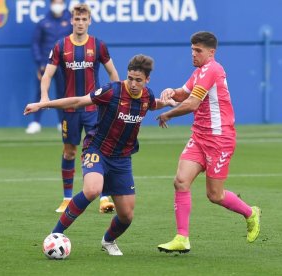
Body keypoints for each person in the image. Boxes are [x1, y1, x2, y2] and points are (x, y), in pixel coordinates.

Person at [24, 54, 174, 256]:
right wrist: (42, 104)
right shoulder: (112, 91)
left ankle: (108, 240)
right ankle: (55, 235)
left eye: (138, 80)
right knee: (93, 190)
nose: (133, 83)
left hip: (122, 159)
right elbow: (78, 101)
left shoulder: (146, 96)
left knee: (127, 215)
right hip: (97, 150)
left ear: (147, 80)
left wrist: (169, 103)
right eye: (130, 78)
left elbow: (153, 103)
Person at [156, 31, 261, 253]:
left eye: (198, 50)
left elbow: (192, 104)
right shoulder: (199, 72)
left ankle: (251, 213)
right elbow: (183, 94)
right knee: (180, 181)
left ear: (211, 52)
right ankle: (182, 238)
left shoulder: (212, 69)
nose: (193, 54)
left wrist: (168, 114)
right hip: (199, 137)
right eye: (192, 49)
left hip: (219, 139)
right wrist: (170, 93)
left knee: (215, 195)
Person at [39, 3, 120, 213]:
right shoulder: (60, 46)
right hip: (70, 110)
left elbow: (113, 74)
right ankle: (67, 198)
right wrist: (44, 97)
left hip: (94, 109)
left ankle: (104, 197)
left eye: (85, 19)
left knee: (99, 151)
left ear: (89, 21)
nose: (81, 23)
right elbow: (47, 75)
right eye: (77, 19)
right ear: (72, 20)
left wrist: (115, 96)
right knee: (69, 151)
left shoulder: (99, 45)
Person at [26, 0, 72, 134]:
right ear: (51, 4)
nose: (57, 5)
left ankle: (62, 122)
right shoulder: (43, 22)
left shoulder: (70, 21)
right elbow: (35, 43)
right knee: (41, 92)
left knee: (63, 93)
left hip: (64, 64)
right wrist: (40, 62)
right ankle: (35, 122)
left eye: (60, 2)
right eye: (55, 2)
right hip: (46, 64)